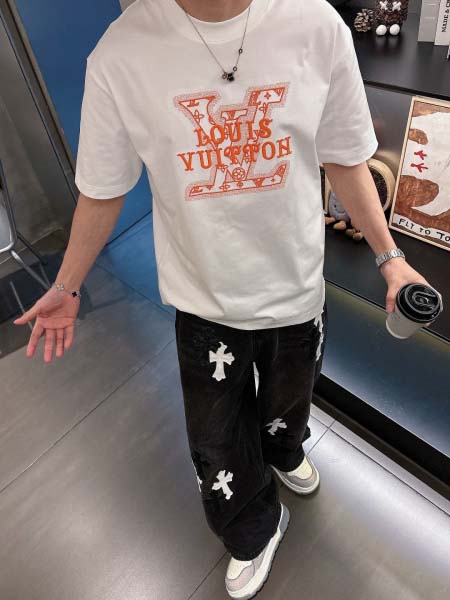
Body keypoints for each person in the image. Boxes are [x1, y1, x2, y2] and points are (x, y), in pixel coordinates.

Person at [13, 1, 432, 598]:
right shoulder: (122, 52)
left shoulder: (315, 24)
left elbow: (343, 156)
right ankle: (253, 526)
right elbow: (103, 188)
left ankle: (282, 452)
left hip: (296, 290)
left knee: (291, 403)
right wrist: (66, 284)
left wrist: (390, 257)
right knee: (216, 439)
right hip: (204, 302)